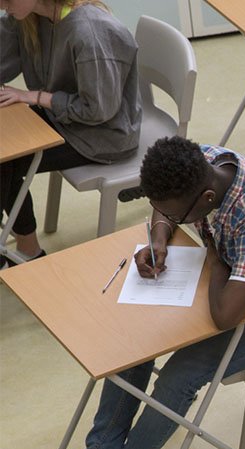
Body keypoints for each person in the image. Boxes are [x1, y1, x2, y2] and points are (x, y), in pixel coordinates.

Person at [23, 137, 245, 449]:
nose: (165, 214)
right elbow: (166, 212)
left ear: (206, 201)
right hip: (234, 285)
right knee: (134, 338)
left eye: (174, 214)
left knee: (180, 376)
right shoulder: (204, 162)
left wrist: (216, 262)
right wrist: (159, 237)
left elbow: (226, 315)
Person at [0, 0, 140, 265]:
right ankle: (27, 251)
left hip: (102, 135)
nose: (2, 5)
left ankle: (28, 253)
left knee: (6, 159)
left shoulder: (90, 30)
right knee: (5, 149)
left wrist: (35, 96)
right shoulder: (27, 16)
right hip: (63, 117)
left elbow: (99, 110)